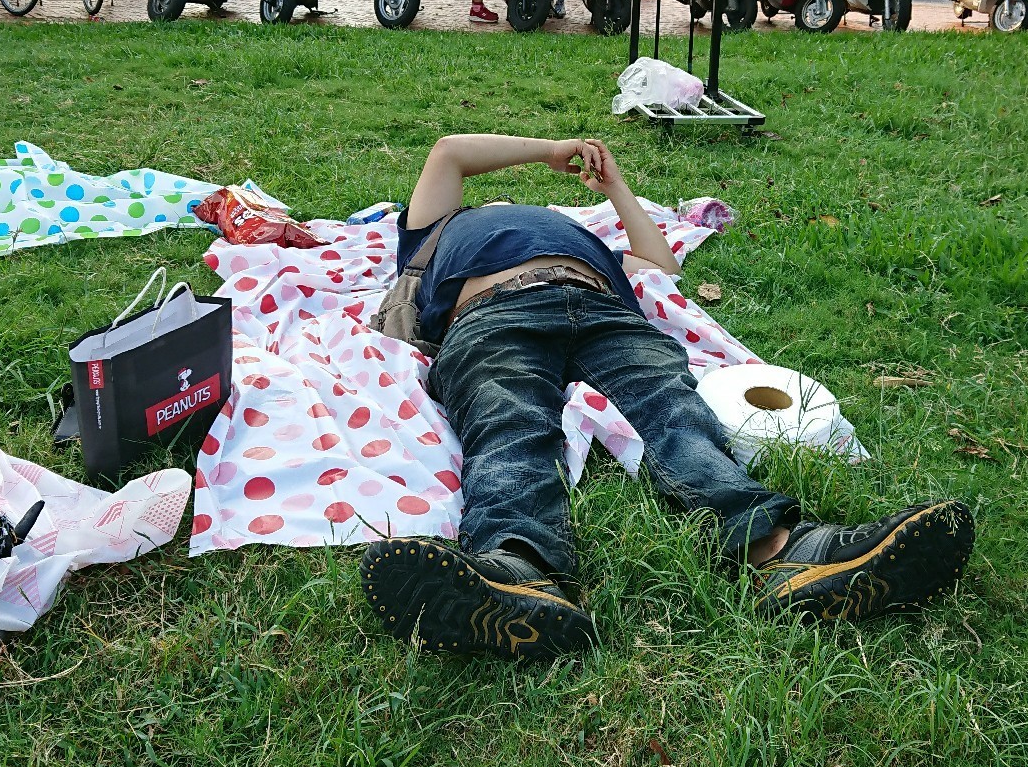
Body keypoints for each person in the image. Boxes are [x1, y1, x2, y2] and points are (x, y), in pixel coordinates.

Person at [356, 134, 977, 660]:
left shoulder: (584, 238)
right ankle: (520, 571)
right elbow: (450, 153)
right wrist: (554, 152)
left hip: (604, 310)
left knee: (676, 412)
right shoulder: (434, 234)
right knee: (511, 421)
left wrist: (617, 190)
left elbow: (661, 268)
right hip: (495, 315)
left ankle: (785, 555)